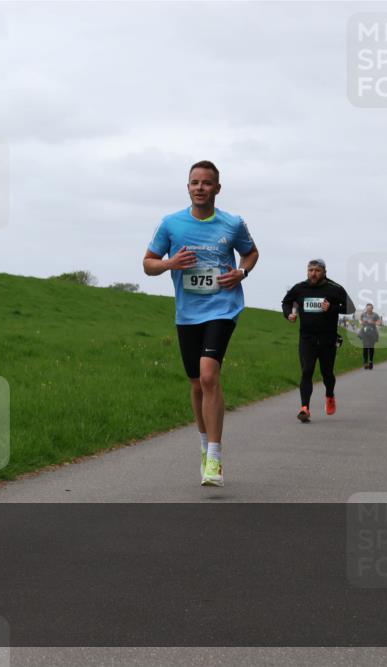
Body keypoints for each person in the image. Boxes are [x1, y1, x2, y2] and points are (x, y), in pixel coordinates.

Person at [144, 160, 259, 487]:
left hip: (222, 308)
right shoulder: (171, 224)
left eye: (206, 183)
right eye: (194, 182)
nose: (200, 188)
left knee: (209, 375)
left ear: (217, 188)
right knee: (196, 384)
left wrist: (241, 272)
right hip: (187, 313)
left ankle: (215, 457)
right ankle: (204, 444)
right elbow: (148, 264)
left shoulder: (232, 224)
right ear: (188, 187)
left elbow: (251, 253)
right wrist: (170, 263)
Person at [281, 259, 355, 422]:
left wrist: (332, 308)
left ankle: (330, 395)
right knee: (307, 371)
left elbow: (351, 307)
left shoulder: (334, 288)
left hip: (328, 339)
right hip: (307, 338)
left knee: (327, 373)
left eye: (317, 271)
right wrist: (289, 314)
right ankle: (304, 408)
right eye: (310, 270)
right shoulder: (300, 288)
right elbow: (286, 302)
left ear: (324, 272)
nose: (313, 274)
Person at [358, 303, 383, 369]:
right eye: (367, 308)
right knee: (365, 347)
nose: (368, 310)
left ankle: (370, 361)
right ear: (366, 308)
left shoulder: (375, 315)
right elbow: (360, 320)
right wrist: (361, 322)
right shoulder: (363, 314)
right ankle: (365, 362)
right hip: (364, 333)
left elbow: (380, 323)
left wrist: (373, 322)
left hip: (372, 333)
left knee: (371, 347)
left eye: (370, 308)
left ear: (372, 309)